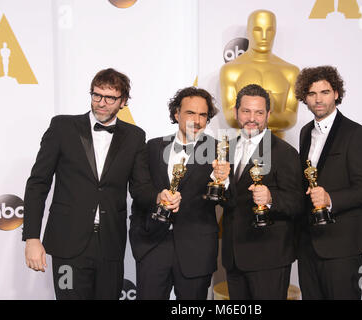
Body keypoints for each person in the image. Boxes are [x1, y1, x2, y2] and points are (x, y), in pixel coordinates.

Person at [22, 68, 180, 300]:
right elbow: (38, 184)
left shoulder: (134, 137)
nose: (101, 103)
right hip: (68, 244)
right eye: (96, 95)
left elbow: (140, 187)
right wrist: (32, 238)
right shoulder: (62, 128)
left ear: (123, 101)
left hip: (110, 245)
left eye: (110, 98)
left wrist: (159, 196)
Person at [129, 86, 228, 300]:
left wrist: (224, 179)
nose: (197, 120)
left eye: (203, 114)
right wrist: (158, 197)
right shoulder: (153, 147)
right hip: (153, 245)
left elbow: (229, 198)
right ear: (176, 114)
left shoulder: (218, 149)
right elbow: (139, 189)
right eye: (190, 113)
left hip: (197, 250)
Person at [295, 65, 362, 300]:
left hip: (343, 246)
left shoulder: (357, 134)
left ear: (336, 94)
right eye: (311, 94)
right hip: (309, 244)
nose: (318, 99)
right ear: (305, 98)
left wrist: (330, 198)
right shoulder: (304, 132)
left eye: (325, 92)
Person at [220, 84, 304, 300]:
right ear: (236, 112)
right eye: (246, 111)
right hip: (234, 257)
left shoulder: (284, 153)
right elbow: (231, 200)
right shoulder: (226, 149)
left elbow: (297, 203)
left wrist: (270, 199)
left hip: (269, 259)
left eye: (259, 112)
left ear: (268, 114)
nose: (252, 118)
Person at [220, 10, 300, 136]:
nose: (264, 36)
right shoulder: (231, 70)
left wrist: (247, 114)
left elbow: (290, 119)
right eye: (258, 30)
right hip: (242, 149)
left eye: (270, 30)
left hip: (280, 150)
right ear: (249, 31)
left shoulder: (290, 71)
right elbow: (230, 118)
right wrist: (271, 114)